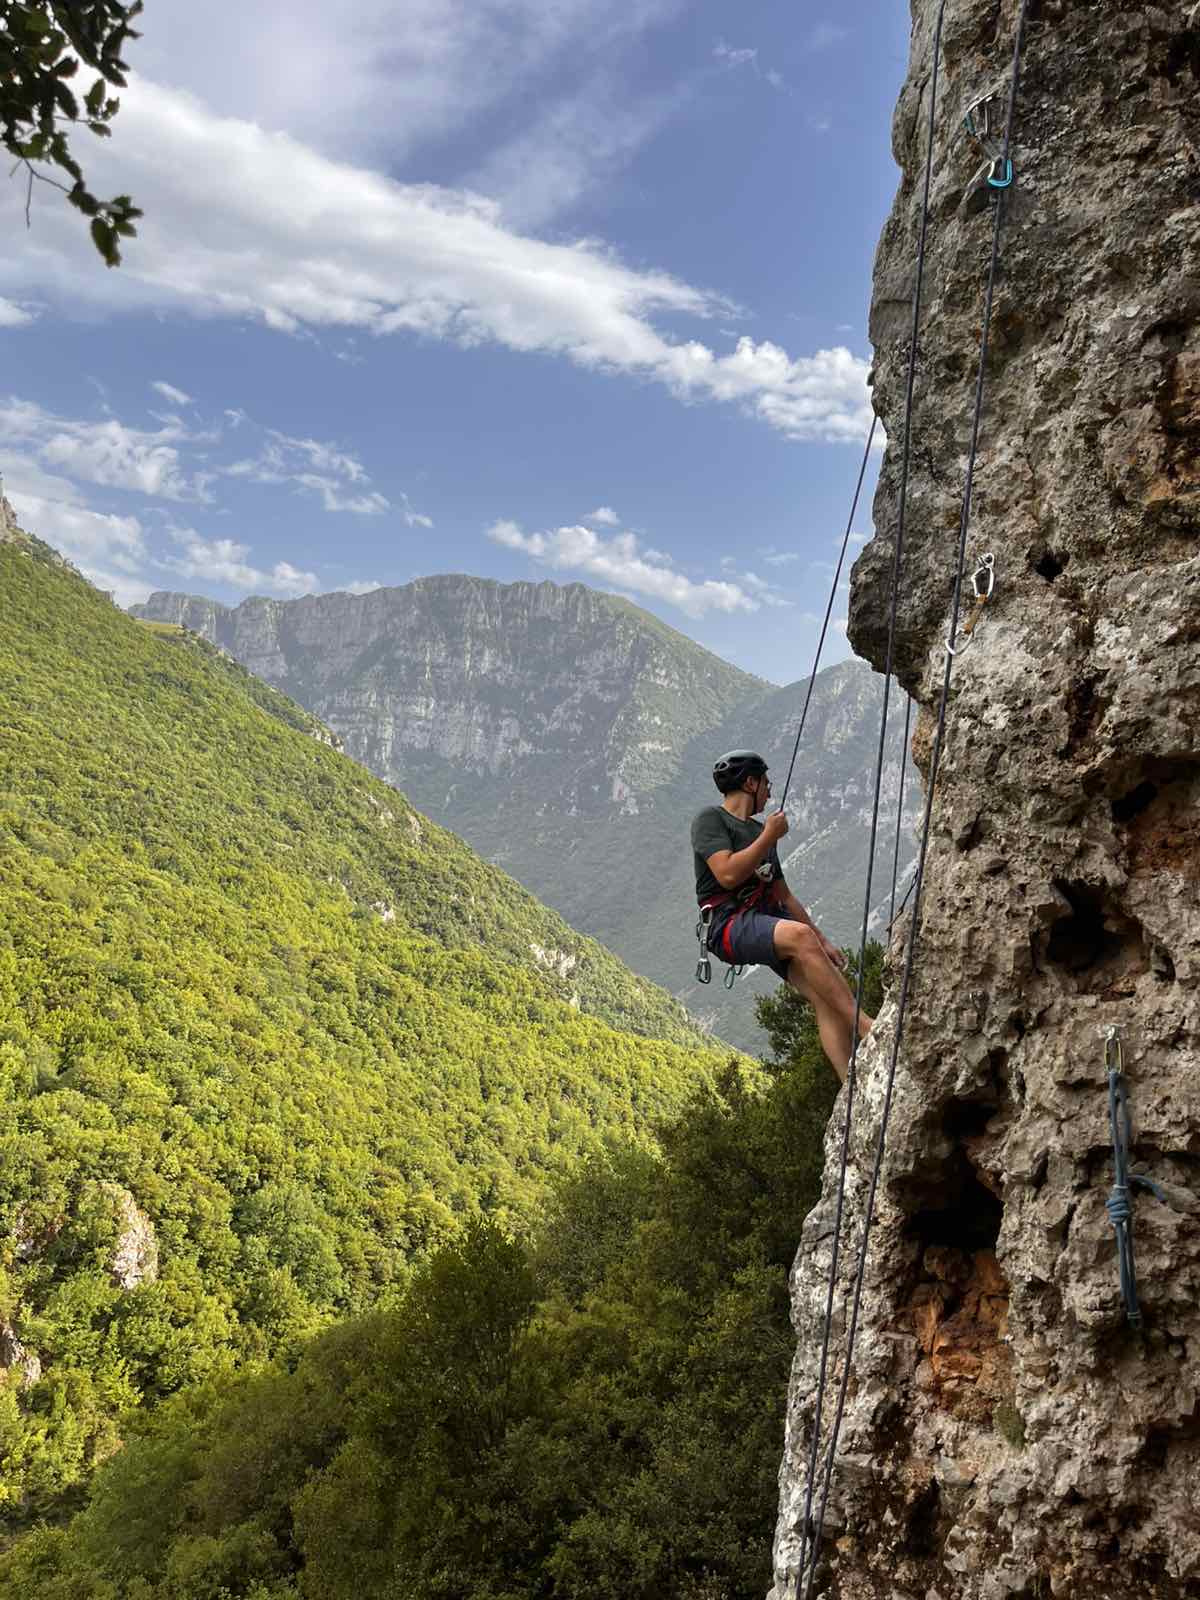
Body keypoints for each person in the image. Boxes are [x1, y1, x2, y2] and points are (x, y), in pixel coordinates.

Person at [690, 750, 873, 1083]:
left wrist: (824, 941)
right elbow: (727, 874)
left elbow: (783, 896)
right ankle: (868, 1028)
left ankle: (851, 1086)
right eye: (766, 784)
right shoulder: (711, 820)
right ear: (751, 782)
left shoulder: (762, 832)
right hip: (727, 925)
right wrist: (768, 837)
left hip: (765, 918)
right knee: (800, 938)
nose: (770, 792)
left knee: (823, 996)